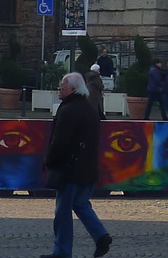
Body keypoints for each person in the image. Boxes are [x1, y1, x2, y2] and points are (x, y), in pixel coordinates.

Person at [43, 73, 113, 258]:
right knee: (81, 204)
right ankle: (101, 236)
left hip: (70, 168)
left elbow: (60, 142)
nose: (60, 88)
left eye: (63, 85)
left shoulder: (69, 110)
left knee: (63, 211)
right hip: (87, 166)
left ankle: (62, 251)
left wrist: (49, 160)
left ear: (73, 89)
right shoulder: (89, 108)